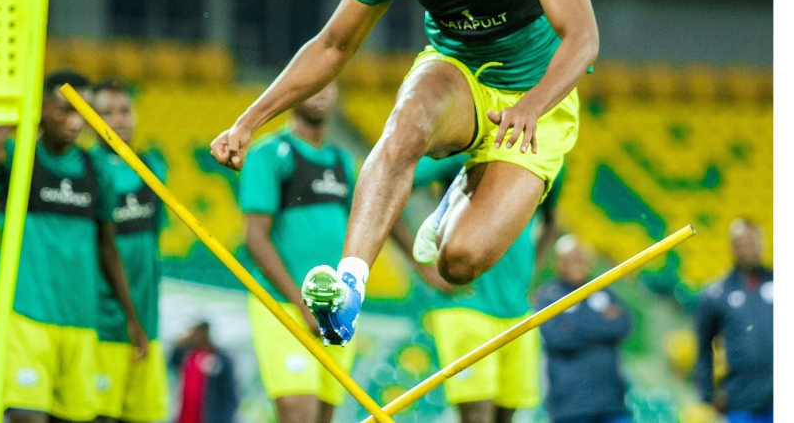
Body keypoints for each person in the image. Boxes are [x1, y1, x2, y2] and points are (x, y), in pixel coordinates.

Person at [209, 0, 598, 346]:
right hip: (456, 73)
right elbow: (333, 46)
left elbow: (582, 37)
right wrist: (250, 120)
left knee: (457, 264)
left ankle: (462, 194)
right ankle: (348, 289)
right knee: (409, 116)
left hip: (538, 99)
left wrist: (533, 106)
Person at [0, 71, 149, 423]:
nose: (74, 122)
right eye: (64, 110)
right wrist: (27, 117)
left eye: (81, 113)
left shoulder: (95, 169)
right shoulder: (19, 158)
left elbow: (107, 249)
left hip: (81, 320)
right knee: (26, 416)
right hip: (27, 315)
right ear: (43, 108)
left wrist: (131, 317)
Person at [238, 82, 373, 423]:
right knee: (298, 414)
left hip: (335, 310)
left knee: (325, 416)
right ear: (294, 91)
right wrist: (302, 304)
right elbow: (256, 239)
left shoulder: (344, 162)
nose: (323, 92)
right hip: (284, 307)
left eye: (330, 85)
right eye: (314, 84)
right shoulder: (269, 154)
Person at [394, 157, 550, 423]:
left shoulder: (549, 152)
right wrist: (422, 266)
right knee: (476, 415)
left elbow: (552, 217)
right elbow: (394, 185)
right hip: (466, 303)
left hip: (516, 309)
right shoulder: (470, 147)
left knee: (506, 416)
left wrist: (531, 273)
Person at [90, 80, 171, 423]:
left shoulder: (153, 167)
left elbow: (152, 239)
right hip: (104, 325)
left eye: (124, 111)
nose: (118, 120)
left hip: (148, 325)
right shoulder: (86, 168)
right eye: (106, 113)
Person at [534, 235, 633, 423]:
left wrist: (572, 324)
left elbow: (623, 325)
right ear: (559, 263)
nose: (577, 263)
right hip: (570, 407)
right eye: (571, 259)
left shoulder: (604, 292)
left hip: (612, 403)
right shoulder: (548, 296)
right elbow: (557, 338)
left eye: (581, 258)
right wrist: (601, 322)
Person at [693, 218, 773, 423]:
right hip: (741, 400)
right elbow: (703, 345)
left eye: (752, 242)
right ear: (732, 247)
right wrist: (708, 393)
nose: (748, 248)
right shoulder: (717, 294)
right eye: (742, 243)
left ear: (761, 244)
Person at [169, 322, 239, 423]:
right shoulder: (188, 355)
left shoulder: (220, 358)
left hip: (209, 417)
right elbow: (172, 359)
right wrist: (180, 342)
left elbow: (230, 394)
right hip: (185, 417)